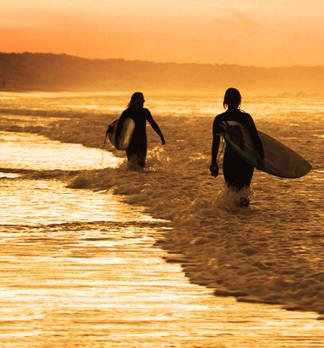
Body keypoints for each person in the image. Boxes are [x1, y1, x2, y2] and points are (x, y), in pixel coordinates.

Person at [210, 88, 264, 206]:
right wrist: (260, 158)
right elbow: (255, 139)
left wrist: (214, 162)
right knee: (244, 192)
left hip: (230, 159)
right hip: (246, 159)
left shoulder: (220, 119)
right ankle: (242, 218)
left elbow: (216, 142)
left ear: (225, 101)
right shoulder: (245, 118)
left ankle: (231, 218)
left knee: (231, 190)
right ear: (239, 101)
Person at [117, 92, 165, 169]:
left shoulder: (144, 112)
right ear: (136, 101)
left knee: (141, 164)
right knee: (132, 164)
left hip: (141, 141)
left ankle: (138, 180)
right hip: (131, 142)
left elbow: (153, 124)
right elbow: (119, 127)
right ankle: (133, 180)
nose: (144, 101)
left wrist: (161, 135)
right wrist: (118, 142)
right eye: (141, 99)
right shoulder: (127, 112)